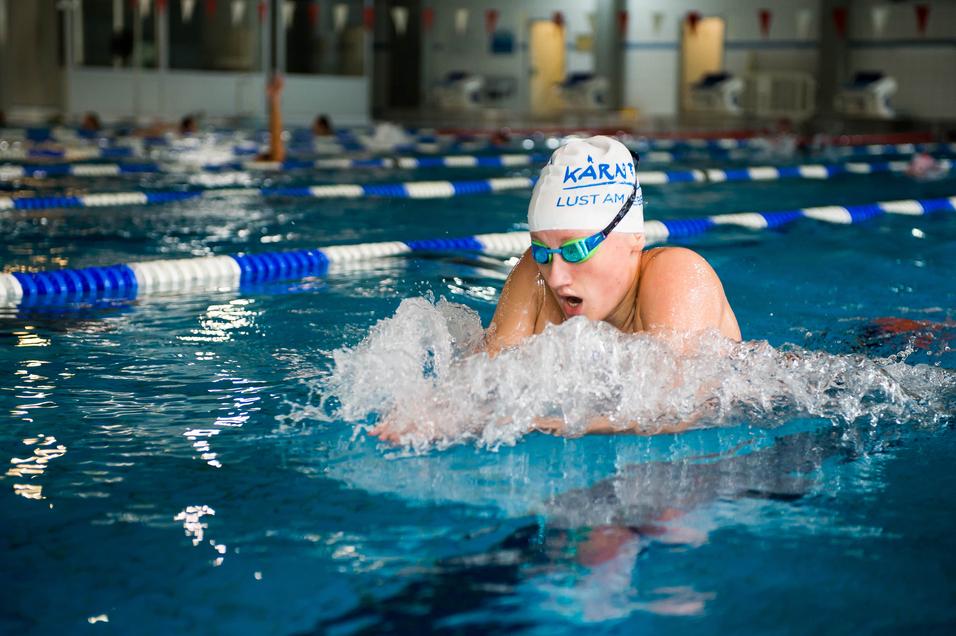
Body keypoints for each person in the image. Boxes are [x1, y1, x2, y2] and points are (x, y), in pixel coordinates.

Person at [372, 136, 740, 441]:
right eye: (545, 251)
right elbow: (489, 372)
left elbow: (679, 405)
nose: (557, 276)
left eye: (576, 250)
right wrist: (435, 409)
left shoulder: (677, 274)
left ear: (634, 238)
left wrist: (526, 421)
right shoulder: (534, 274)